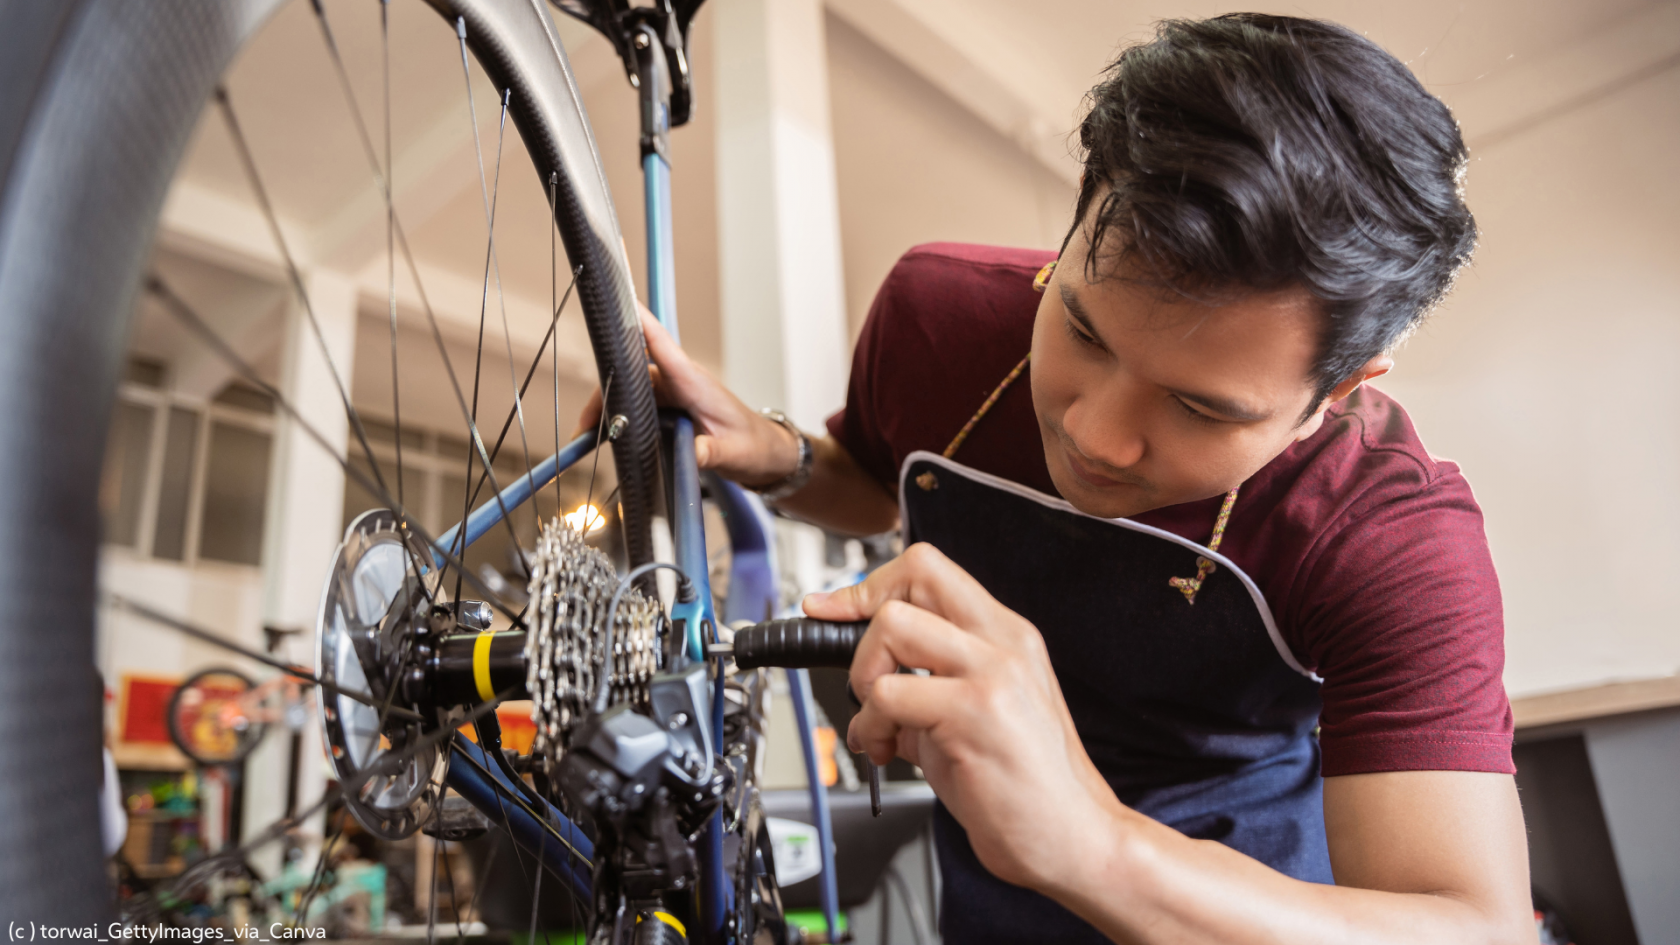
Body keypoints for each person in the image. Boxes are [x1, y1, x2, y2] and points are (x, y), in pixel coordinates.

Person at [600, 13, 1532, 943]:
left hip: (1249, 900)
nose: (1094, 436)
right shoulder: (938, 319)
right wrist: (778, 454)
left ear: (1340, 390)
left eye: (1200, 408)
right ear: (1078, 218)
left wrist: (1093, 841)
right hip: (991, 884)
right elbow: (882, 479)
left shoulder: (1391, 534)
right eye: (1083, 332)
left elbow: (1469, 924)